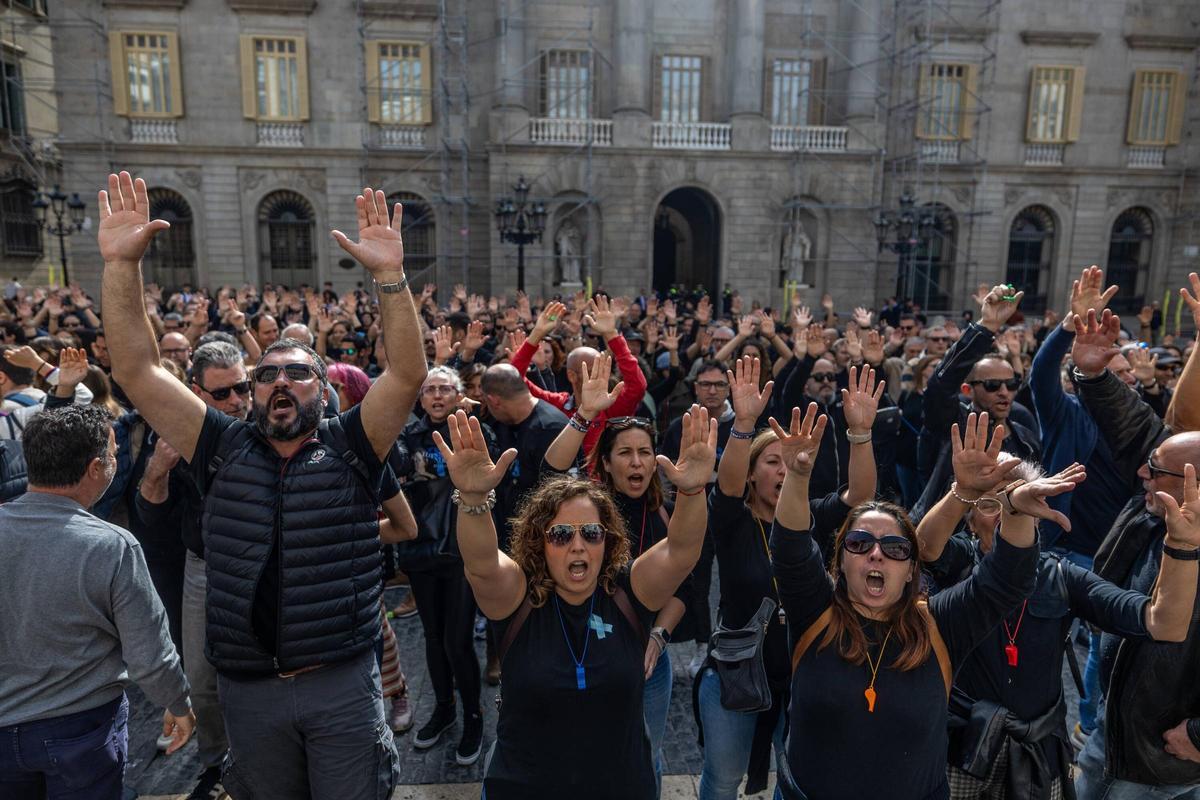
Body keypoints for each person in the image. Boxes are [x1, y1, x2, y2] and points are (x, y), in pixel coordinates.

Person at [98, 173, 423, 799]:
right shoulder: (217, 445)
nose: (281, 382)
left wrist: (389, 276)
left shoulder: (354, 442)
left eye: (297, 373)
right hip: (250, 689)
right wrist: (120, 265)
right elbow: (137, 370)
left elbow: (407, 372)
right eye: (267, 373)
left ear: (322, 390)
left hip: (341, 684)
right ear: (252, 390)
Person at [768, 403, 1074, 799]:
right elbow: (790, 547)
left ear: (912, 569)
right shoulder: (816, 613)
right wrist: (797, 475)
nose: (876, 554)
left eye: (895, 547)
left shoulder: (940, 624)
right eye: (860, 544)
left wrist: (1012, 510)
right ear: (840, 561)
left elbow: (1007, 579)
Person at [431, 404, 715, 799]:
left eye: (592, 534)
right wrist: (474, 498)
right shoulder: (518, 597)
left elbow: (683, 551)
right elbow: (480, 564)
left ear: (609, 540)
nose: (578, 545)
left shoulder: (629, 591)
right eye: (561, 534)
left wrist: (692, 489)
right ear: (539, 541)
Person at [917, 413, 1198, 799]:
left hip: (1038, 752)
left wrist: (1182, 549)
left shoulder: (1062, 577)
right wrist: (960, 491)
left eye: (1016, 499)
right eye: (989, 503)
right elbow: (924, 548)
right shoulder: (960, 562)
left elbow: (1162, 622)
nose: (1004, 510)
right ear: (968, 522)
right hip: (959, 746)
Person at [698, 359, 879, 799]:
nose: (783, 470)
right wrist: (742, 426)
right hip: (736, 675)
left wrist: (860, 434)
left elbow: (861, 495)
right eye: (772, 461)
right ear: (753, 472)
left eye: (791, 461)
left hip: (804, 674)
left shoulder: (811, 516)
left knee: (798, 782)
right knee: (723, 781)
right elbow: (724, 488)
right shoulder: (733, 521)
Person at [0, 405, 195, 799]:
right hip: (82, 734)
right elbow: (149, 654)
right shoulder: (112, 545)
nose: (115, 462)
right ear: (95, 468)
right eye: (112, 454)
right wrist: (178, 704)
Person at [1068, 308, 1200, 799]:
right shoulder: (1166, 490)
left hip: (1161, 755)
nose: (1142, 474)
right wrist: (1094, 374)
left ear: (1192, 486)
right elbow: (1135, 429)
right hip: (1114, 724)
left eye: (1154, 470)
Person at [543, 353, 689, 796]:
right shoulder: (583, 508)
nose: (638, 462)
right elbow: (549, 472)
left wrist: (658, 637)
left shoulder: (665, 514)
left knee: (647, 753)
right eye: (625, 452)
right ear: (605, 463)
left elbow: (687, 588)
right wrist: (585, 415)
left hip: (648, 660)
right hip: (583, 649)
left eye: (645, 452)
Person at [132, 340, 249, 799]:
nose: (237, 400)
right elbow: (152, 516)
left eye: (242, 386)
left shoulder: (270, 423)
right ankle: (216, 763)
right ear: (196, 391)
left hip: (264, 564)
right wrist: (159, 468)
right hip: (202, 568)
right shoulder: (175, 433)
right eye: (223, 394)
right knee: (201, 679)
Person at [395, 366, 490, 763]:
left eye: (444, 389)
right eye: (429, 390)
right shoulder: (408, 436)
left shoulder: (473, 431)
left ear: (458, 395)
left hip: (461, 551)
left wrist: (476, 419)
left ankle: (473, 715)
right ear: (421, 399)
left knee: (458, 639)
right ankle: (444, 708)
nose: (436, 396)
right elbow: (393, 468)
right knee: (433, 639)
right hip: (421, 550)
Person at [916, 285, 1042, 519]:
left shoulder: (1026, 439)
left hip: (1007, 540)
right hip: (950, 538)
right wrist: (986, 327)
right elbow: (940, 387)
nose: (1004, 392)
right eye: (993, 385)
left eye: (1011, 384)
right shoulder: (953, 426)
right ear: (968, 389)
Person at [510, 296, 648, 456]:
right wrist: (536, 334)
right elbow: (514, 382)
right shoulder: (558, 406)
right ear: (572, 376)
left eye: (602, 369)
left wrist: (611, 334)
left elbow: (638, 386)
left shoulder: (612, 409)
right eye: (591, 371)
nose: (600, 377)